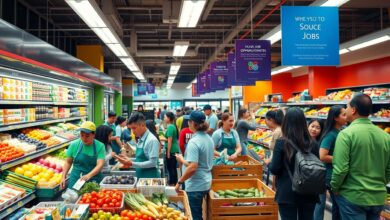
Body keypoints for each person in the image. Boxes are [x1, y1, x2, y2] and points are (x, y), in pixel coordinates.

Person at [331, 94, 390, 220]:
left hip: (353, 197)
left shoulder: (346, 135)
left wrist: (334, 188)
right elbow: (389, 169)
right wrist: (379, 184)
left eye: (347, 106)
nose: (345, 110)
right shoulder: (386, 136)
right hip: (377, 197)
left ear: (353, 110)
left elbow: (341, 169)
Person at [269, 108, 320, 220]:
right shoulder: (313, 143)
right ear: (303, 122)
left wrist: (269, 163)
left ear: (286, 122)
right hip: (309, 191)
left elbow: (275, 169)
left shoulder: (282, 143)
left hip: (287, 192)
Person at [175, 111, 214, 220]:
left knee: (195, 216)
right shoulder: (208, 138)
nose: (188, 123)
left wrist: (180, 181)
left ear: (193, 123)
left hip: (195, 185)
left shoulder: (194, 142)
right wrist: (182, 160)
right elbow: (196, 163)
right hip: (206, 181)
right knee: (199, 214)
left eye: (189, 121)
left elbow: (193, 167)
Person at [313, 105, 347, 220]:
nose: (346, 116)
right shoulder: (331, 134)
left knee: (335, 207)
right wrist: (342, 159)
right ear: (335, 118)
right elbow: (322, 156)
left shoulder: (339, 132)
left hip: (332, 175)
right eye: (343, 114)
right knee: (322, 206)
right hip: (328, 176)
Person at [112, 113, 160, 178]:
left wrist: (131, 163)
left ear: (143, 125)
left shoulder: (151, 140)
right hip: (141, 176)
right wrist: (129, 159)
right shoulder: (141, 138)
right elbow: (141, 159)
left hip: (150, 178)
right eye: (131, 129)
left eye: (134, 128)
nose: (133, 131)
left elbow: (153, 163)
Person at [61, 121, 106, 189]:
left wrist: (88, 175)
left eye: (87, 136)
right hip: (76, 179)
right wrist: (63, 177)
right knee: (73, 198)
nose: (84, 138)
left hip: (94, 179)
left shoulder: (100, 146)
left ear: (93, 135)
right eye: (82, 135)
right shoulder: (74, 144)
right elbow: (68, 162)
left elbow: (100, 164)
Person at [164, 112, 180, 185]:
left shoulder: (170, 127)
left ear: (169, 118)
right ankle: (174, 182)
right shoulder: (173, 126)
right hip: (175, 149)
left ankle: (172, 182)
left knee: (170, 167)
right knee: (173, 167)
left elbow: (170, 140)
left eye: (165, 117)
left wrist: (168, 153)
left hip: (171, 149)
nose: (164, 119)